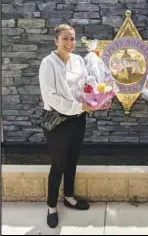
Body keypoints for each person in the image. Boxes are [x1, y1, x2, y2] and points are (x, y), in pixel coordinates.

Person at [39, 24, 98, 228]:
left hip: (78, 118)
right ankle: (52, 206)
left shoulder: (79, 60)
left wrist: (98, 96)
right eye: (65, 38)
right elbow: (51, 98)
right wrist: (79, 105)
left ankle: (69, 197)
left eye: (72, 39)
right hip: (58, 121)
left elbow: (86, 85)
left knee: (72, 159)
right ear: (56, 40)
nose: (70, 43)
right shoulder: (48, 64)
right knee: (58, 164)